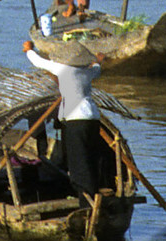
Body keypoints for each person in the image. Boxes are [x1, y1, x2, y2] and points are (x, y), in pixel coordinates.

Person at [22, 30, 107, 205]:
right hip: (93, 118)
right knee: (90, 156)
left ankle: (86, 202)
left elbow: (39, 62)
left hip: (75, 119)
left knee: (78, 161)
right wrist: (98, 60)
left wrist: (29, 50)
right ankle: (94, 193)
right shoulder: (88, 72)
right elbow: (97, 67)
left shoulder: (63, 69)